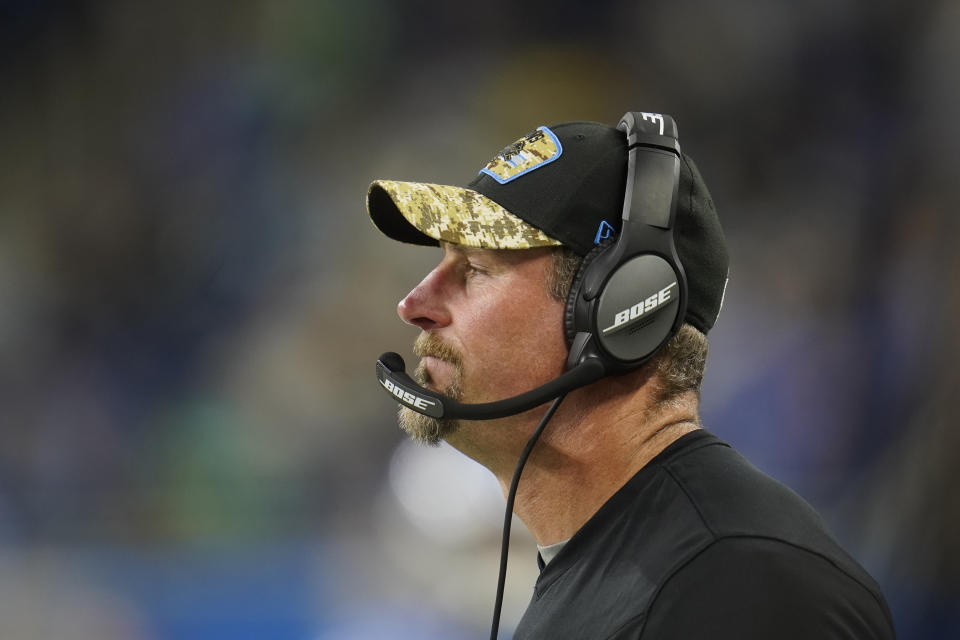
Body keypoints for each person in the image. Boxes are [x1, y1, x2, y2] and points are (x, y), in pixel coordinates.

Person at [366, 113, 896, 639]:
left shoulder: (737, 582)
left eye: (476, 269)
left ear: (622, 309)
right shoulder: (638, 575)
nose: (414, 305)